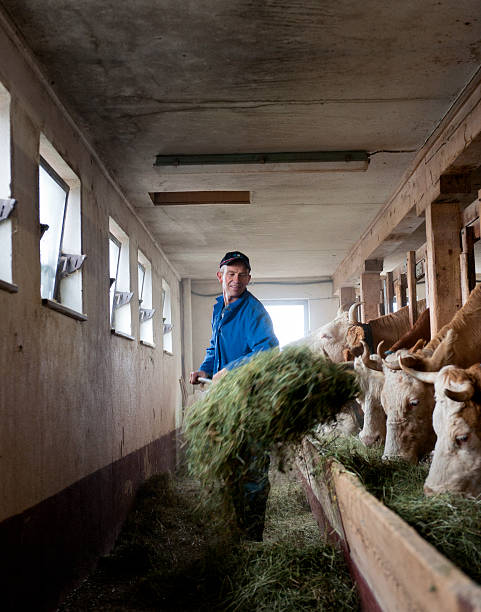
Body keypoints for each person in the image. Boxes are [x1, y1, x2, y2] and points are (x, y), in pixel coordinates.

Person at [190, 251, 279, 540]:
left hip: (252, 402)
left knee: (252, 470)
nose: (236, 280)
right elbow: (214, 348)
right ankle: (235, 531)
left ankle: (252, 539)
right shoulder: (219, 308)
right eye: (231, 274)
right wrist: (204, 371)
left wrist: (230, 370)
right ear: (220, 276)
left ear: (249, 278)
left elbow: (268, 351)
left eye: (242, 275)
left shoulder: (255, 312)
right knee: (230, 466)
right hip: (226, 403)